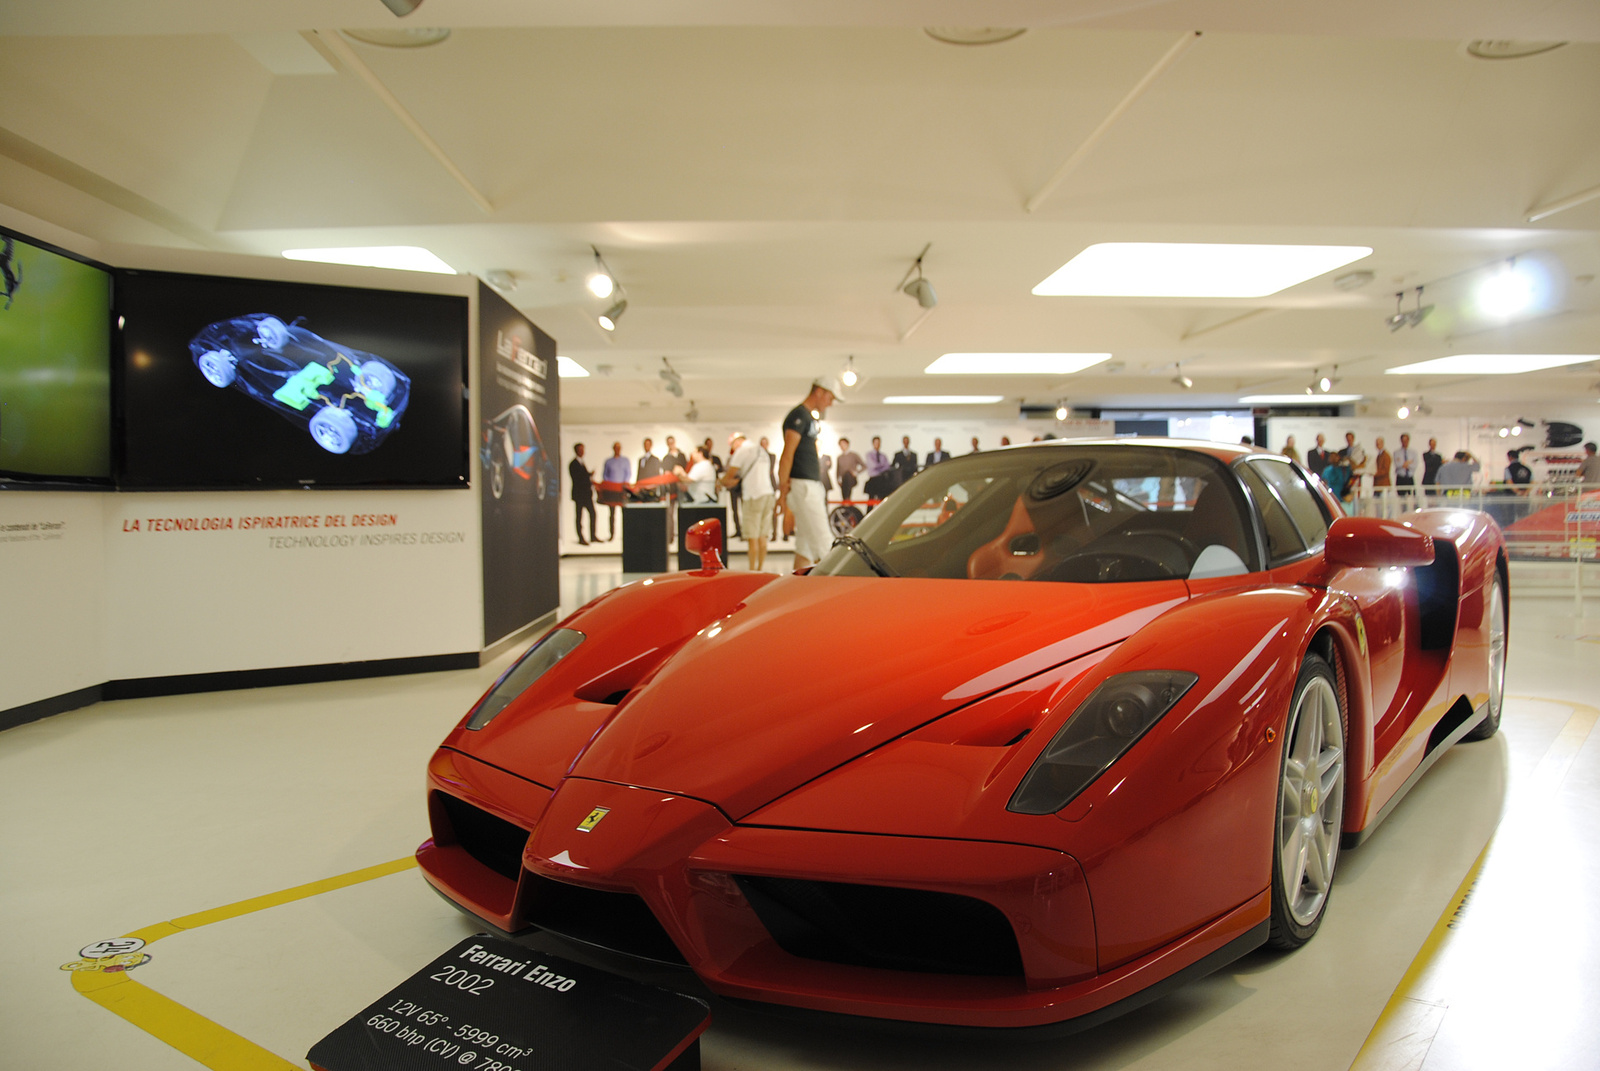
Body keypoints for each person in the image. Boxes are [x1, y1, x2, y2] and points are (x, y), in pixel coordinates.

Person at [777, 376, 842, 571]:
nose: (830, 403)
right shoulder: (799, 416)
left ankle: (796, 589)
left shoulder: (808, 418)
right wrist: (782, 492)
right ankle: (838, 593)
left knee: (804, 547)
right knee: (824, 544)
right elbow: (787, 454)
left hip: (809, 485)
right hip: (804, 486)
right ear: (819, 391)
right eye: (830, 398)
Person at [724, 432, 776, 571]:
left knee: (752, 537)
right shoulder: (761, 450)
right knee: (763, 535)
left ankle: (753, 570)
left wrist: (720, 482)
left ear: (736, 442)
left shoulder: (742, 451)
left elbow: (730, 475)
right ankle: (760, 569)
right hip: (768, 494)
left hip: (753, 496)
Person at [599, 441, 630, 540]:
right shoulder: (608, 461)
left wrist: (624, 484)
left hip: (621, 490)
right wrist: (609, 485)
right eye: (615, 447)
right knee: (611, 514)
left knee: (624, 512)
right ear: (613, 449)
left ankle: (626, 533)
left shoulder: (625, 460)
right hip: (611, 491)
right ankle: (612, 534)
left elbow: (628, 474)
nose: (617, 449)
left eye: (619, 447)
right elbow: (605, 475)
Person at [568, 443, 597, 545]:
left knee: (593, 514)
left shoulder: (581, 463)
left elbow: (583, 476)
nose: (582, 451)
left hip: (586, 495)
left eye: (583, 449)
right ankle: (581, 537)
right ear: (576, 451)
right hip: (579, 495)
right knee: (579, 516)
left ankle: (592, 536)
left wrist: (589, 475)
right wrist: (588, 477)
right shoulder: (573, 464)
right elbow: (578, 478)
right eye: (580, 450)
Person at [662, 435, 689, 541]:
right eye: (669, 443)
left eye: (672, 442)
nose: (671, 445)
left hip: (682, 487)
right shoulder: (666, 458)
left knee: (683, 512)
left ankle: (684, 537)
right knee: (670, 513)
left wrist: (680, 476)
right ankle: (671, 537)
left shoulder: (681, 456)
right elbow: (667, 473)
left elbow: (685, 470)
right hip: (672, 489)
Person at [1341, 432, 1368, 500]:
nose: (1349, 441)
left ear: (1353, 439)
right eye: (1347, 439)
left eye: (1350, 439)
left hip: (1356, 477)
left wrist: (1353, 464)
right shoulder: (1342, 452)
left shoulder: (1360, 451)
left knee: (1356, 495)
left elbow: (1363, 464)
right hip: (1346, 478)